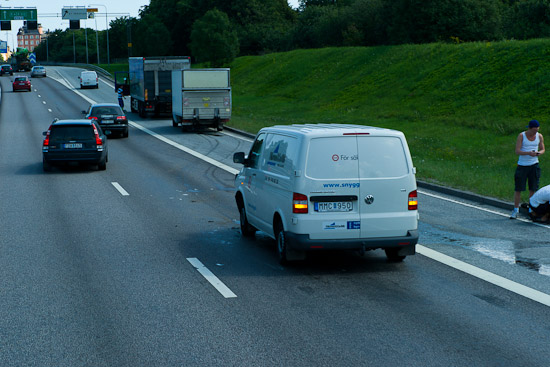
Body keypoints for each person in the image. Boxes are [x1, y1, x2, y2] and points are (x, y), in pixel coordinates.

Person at [511, 119, 545, 219]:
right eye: (534, 130)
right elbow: (517, 151)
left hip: (534, 164)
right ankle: (515, 210)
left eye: (537, 130)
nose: (535, 132)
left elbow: (543, 149)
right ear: (529, 128)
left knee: (533, 188)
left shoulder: (539, 136)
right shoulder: (522, 136)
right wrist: (528, 153)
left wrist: (539, 153)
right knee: (518, 188)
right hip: (522, 165)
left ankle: (531, 209)